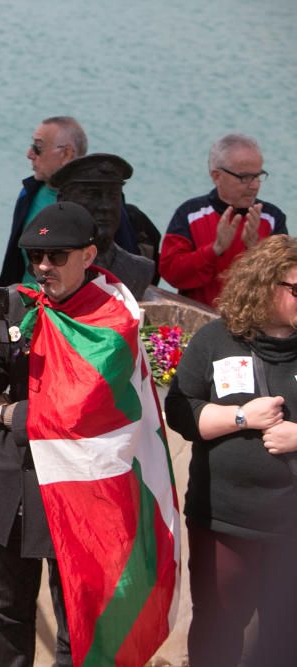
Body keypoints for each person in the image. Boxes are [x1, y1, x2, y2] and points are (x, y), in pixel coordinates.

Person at [0, 203, 117, 666]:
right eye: (35, 255)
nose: (43, 266)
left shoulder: (109, 319)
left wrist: (8, 414)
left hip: (75, 492)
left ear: (88, 255)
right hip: (8, 489)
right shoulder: (18, 307)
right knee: (6, 617)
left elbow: (82, 411)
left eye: (56, 256)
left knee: (76, 623)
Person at [165, 235, 297, 667]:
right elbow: (183, 415)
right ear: (263, 284)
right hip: (224, 521)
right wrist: (243, 417)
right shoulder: (216, 340)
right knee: (218, 626)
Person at [0, 117, 140, 287]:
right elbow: (15, 261)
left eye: (38, 147)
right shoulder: (29, 194)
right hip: (30, 300)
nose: (29, 154)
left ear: (66, 154)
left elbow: (125, 259)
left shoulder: (103, 205)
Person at [159, 133, 287, 307]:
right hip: (200, 320)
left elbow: (284, 282)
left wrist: (256, 249)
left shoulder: (272, 217)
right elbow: (171, 274)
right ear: (217, 176)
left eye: (258, 176)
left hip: (256, 322)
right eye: (245, 177)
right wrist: (215, 249)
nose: (255, 185)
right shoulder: (189, 214)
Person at [51, 153, 155, 298]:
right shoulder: (47, 265)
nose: (105, 207)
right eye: (93, 195)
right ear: (63, 201)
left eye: (113, 196)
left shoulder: (139, 269)